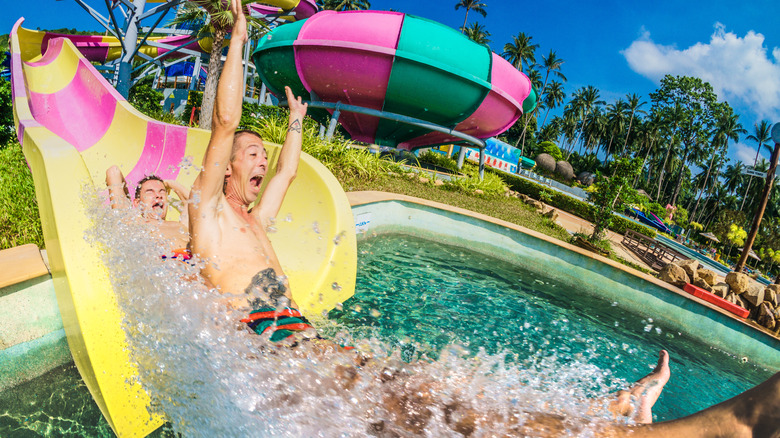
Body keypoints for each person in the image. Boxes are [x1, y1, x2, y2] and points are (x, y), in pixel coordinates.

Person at [187, 1, 780, 436]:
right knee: (436, 410)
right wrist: (239, 34)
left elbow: (290, 173)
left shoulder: (256, 218)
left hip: (311, 345)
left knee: (439, 392)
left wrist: (293, 124)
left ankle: (616, 414)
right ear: (226, 168)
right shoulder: (208, 212)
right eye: (250, 152)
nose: (261, 158)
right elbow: (222, 124)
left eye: (262, 152)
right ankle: (656, 429)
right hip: (276, 354)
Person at [106, 165, 190, 252]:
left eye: (162, 191)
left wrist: (169, 183)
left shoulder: (181, 225)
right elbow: (113, 172)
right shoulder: (131, 222)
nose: (158, 195)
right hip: (165, 261)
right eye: (150, 192)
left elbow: (194, 202)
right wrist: (128, 202)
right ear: (138, 203)